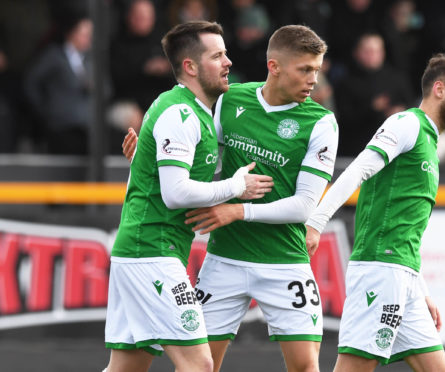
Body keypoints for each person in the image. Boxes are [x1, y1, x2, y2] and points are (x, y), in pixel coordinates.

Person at [103, 21, 273, 372]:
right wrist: (236, 188)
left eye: (225, 53)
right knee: (198, 364)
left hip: (143, 252)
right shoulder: (181, 113)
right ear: (190, 67)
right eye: (217, 55)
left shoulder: (186, 109)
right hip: (152, 252)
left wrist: (142, 162)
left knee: (126, 367)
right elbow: (176, 193)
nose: (228, 62)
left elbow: (163, 180)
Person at [180, 25, 339, 372]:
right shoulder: (230, 100)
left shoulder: (321, 122)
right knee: (197, 366)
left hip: (284, 262)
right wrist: (147, 159)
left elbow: (303, 206)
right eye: (305, 69)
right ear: (274, 66)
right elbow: (198, 162)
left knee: (305, 368)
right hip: (225, 259)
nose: (314, 79)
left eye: (317, 69)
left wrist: (238, 210)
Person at [305, 53, 445, 371]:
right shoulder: (406, 124)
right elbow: (356, 171)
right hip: (380, 271)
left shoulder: (430, 139)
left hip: (403, 275)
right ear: (439, 89)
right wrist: (315, 223)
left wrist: (419, 285)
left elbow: (405, 226)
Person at [23, 14, 94, 154]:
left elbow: (106, 88)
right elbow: (31, 81)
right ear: (71, 33)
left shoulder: (91, 60)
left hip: (88, 126)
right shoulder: (54, 55)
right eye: (84, 34)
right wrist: (45, 110)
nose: (88, 39)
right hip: (61, 126)